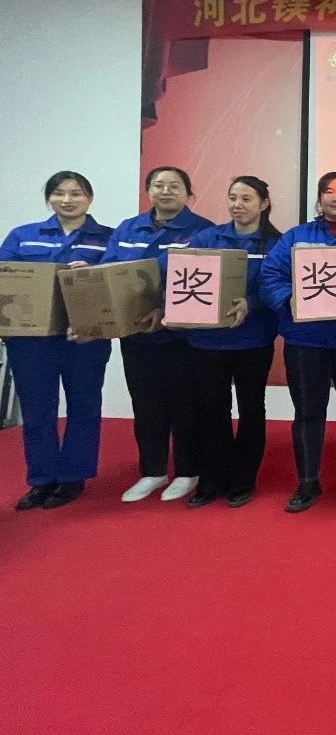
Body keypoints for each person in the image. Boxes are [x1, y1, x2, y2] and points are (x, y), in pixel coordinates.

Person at [260, 172, 336, 513]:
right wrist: (288, 298)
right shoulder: (296, 237)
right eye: (329, 191)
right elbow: (270, 275)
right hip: (305, 339)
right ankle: (308, 481)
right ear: (319, 199)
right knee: (308, 411)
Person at [1, 171, 114, 510]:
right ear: (48, 198)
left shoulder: (107, 239)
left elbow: (119, 285)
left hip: (85, 338)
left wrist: (92, 274)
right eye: (59, 193)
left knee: (84, 406)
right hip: (31, 341)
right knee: (37, 410)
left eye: (76, 193)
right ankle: (41, 480)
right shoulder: (23, 237)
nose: (67, 200)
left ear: (89, 198)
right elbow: (6, 283)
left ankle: (73, 477)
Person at [103, 166, 214, 504]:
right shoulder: (127, 228)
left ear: (188, 193)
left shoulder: (203, 231)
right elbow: (109, 270)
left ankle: (187, 471)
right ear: (148, 190)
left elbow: (202, 280)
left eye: (174, 186)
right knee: (146, 403)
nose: (166, 191)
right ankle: (152, 471)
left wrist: (165, 310)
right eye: (158, 185)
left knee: (185, 404)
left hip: (181, 336)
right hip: (135, 332)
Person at [174, 176, 282, 508]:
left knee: (251, 409)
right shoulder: (208, 238)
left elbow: (280, 283)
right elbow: (179, 271)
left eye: (246, 198)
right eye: (233, 197)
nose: (238, 204)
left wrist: (252, 302)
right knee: (211, 410)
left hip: (253, 340)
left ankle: (243, 479)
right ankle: (211, 480)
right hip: (207, 342)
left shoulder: (276, 243)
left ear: (263, 204)